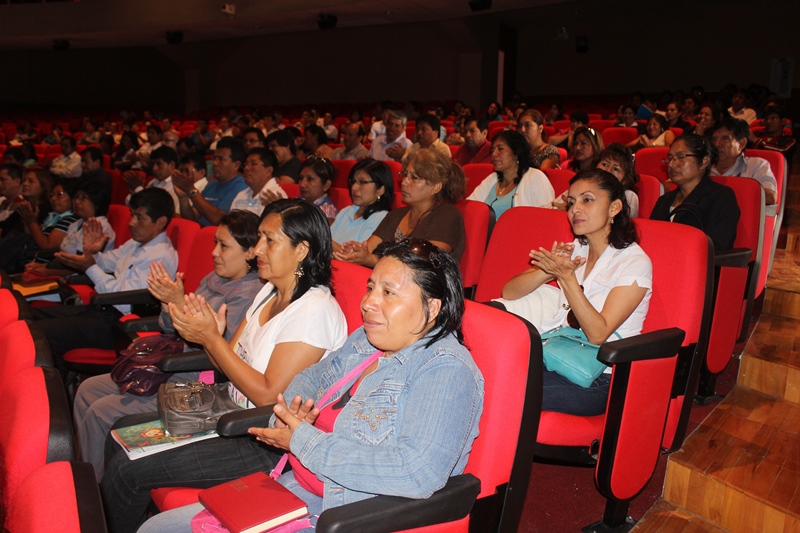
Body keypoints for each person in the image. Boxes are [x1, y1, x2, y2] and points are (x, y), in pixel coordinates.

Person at [136, 238, 484, 533]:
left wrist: (302, 438)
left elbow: (416, 472)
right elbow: (310, 378)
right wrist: (289, 413)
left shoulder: (445, 371)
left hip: (345, 514)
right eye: (370, 287)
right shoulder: (367, 340)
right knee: (155, 528)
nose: (368, 303)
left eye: (388, 292)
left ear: (432, 308)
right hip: (293, 486)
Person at [100, 199, 348, 533]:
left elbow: (269, 397)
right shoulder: (269, 291)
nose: (257, 248)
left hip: (262, 440)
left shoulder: (314, 311)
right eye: (259, 237)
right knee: (119, 432)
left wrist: (211, 340)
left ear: (301, 250)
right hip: (227, 410)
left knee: (126, 473)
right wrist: (206, 336)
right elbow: (229, 362)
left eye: (269, 240)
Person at [73, 210, 264, 480]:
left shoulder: (249, 294)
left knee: (100, 412)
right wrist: (169, 304)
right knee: (87, 388)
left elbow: (218, 354)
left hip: (197, 380)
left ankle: (90, 489)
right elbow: (167, 327)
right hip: (171, 364)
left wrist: (178, 304)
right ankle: (83, 473)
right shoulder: (214, 279)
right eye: (214, 243)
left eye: (224, 246)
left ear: (249, 253)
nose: (214, 253)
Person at [496, 169, 652, 416]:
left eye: (587, 200)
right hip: (553, 355)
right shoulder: (577, 249)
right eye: (571, 202)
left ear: (614, 208)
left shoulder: (634, 263)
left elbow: (598, 333)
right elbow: (510, 292)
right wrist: (548, 270)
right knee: (487, 371)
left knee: (506, 390)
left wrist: (566, 277)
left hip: (597, 377)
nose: (574, 210)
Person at [32, 188, 178, 378]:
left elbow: (124, 301)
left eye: (139, 218)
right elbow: (107, 261)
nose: (131, 223)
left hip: (119, 326)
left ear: (160, 222)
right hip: (102, 312)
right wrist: (91, 252)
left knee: (39, 334)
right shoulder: (136, 243)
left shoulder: (160, 255)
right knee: (32, 316)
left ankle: (50, 395)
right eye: (132, 215)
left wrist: (90, 267)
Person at [334, 149, 466, 266]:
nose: (404, 182)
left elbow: (425, 263)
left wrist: (372, 260)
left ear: (435, 186)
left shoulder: (447, 214)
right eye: (405, 175)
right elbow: (368, 249)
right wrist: (355, 252)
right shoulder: (395, 215)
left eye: (414, 178)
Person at [650, 134, 740, 251]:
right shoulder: (665, 200)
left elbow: (716, 245)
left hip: (697, 265)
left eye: (681, 157)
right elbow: (651, 238)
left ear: (704, 161)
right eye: (670, 158)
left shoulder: (721, 197)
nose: (672, 164)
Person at [467, 130, 554, 218]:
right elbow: (471, 206)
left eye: (500, 149)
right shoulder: (492, 179)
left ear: (516, 153)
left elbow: (545, 218)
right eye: (493, 150)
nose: (494, 154)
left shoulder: (536, 178)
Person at [173, 137, 248, 226]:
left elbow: (218, 220)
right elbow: (191, 218)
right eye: (214, 158)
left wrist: (191, 190)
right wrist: (183, 198)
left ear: (236, 165)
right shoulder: (211, 184)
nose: (215, 163)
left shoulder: (241, 186)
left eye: (221, 159)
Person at [710, 117, 778, 215]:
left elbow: (770, 197)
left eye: (725, 138)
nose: (717, 144)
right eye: (715, 139)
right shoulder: (703, 168)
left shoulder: (757, 165)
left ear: (741, 144)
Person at [330, 158, 392, 252]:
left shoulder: (382, 217)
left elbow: (356, 256)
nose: (354, 187)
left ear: (380, 190)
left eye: (362, 182)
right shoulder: (346, 211)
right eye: (353, 181)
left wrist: (321, 239)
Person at [18, 180, 77, 267]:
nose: (53, 198)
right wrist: (27, 220)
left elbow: (47, 246)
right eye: (52, 195)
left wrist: (32, 222)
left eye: (59, 194)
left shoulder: (71, 220)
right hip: (27, 261)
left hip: (41, 266)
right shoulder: (52, 216)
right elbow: (34, 239)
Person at [123, 145, 181, 214]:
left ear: (172, 165)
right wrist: (133, 192)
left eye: (159, 164)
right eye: (153, 164)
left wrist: (138, 189)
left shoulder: (178, 185)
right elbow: (129, 204)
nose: (154, 168)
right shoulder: (154, 181)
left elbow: (154, 211)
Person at [231, 147, 287, 216]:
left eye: (253, 164)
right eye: (246, 164)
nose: (246, 168)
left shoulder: (275, 196)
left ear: (268, 170)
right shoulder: (241, 195)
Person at [298, 156, 338, 224]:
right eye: (301, 178)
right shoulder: (298, 201)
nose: (302, 184)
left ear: (326, 185)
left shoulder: (327, 211)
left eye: (310, 179)